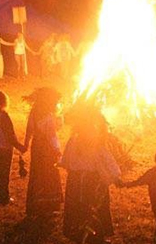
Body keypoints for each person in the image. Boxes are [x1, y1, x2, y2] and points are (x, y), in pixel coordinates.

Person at [61, 104, 121, 243]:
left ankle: (79, 234)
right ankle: (95, 236)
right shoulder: (96, 144)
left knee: (78, 207)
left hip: (75, 181)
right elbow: (109, 161)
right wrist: (116, 176)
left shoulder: (72, 141)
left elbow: (65, 162)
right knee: (95, 208)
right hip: (92, 182)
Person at [24, 87, 63, 217]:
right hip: (46, 148)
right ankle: (48, 206)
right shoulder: (47, 115)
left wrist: (26, 144)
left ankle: (36, 204)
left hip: (37, 146)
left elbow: (29, 129)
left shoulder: (34, 112)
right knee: (48, 174)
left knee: (37, 173)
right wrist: (57, 150)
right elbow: (51, 135)